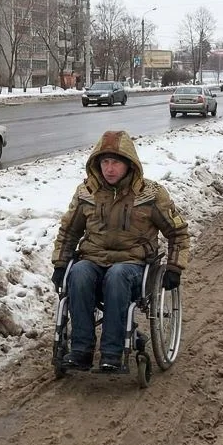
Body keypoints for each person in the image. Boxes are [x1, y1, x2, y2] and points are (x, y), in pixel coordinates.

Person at [51, 131, 190, 373]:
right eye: (105, 162)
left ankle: (112, 353)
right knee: (79, 274)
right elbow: (68, 232)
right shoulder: (87, 192)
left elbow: (177, 232)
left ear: (129, 164)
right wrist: (60, 264)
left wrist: (175, 267)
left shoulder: (151, 194)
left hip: (134, 264)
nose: (109, 168)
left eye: (115, 162)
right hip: (92, 260)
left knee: (117, 276)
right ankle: (81, 349)